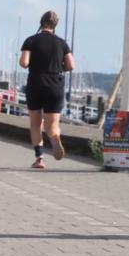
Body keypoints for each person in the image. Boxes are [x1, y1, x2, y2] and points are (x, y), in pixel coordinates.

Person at [19, 11, 74, 169]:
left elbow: (24, 63)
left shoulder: (31, 40)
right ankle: (54, 136)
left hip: (36, 83)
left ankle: (40, 158)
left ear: (41, 22)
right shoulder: (62, 43)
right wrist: (58, 67)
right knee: (52, 124)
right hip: (55, 84)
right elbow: (71, 65)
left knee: (35, 124)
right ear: (55, 25)